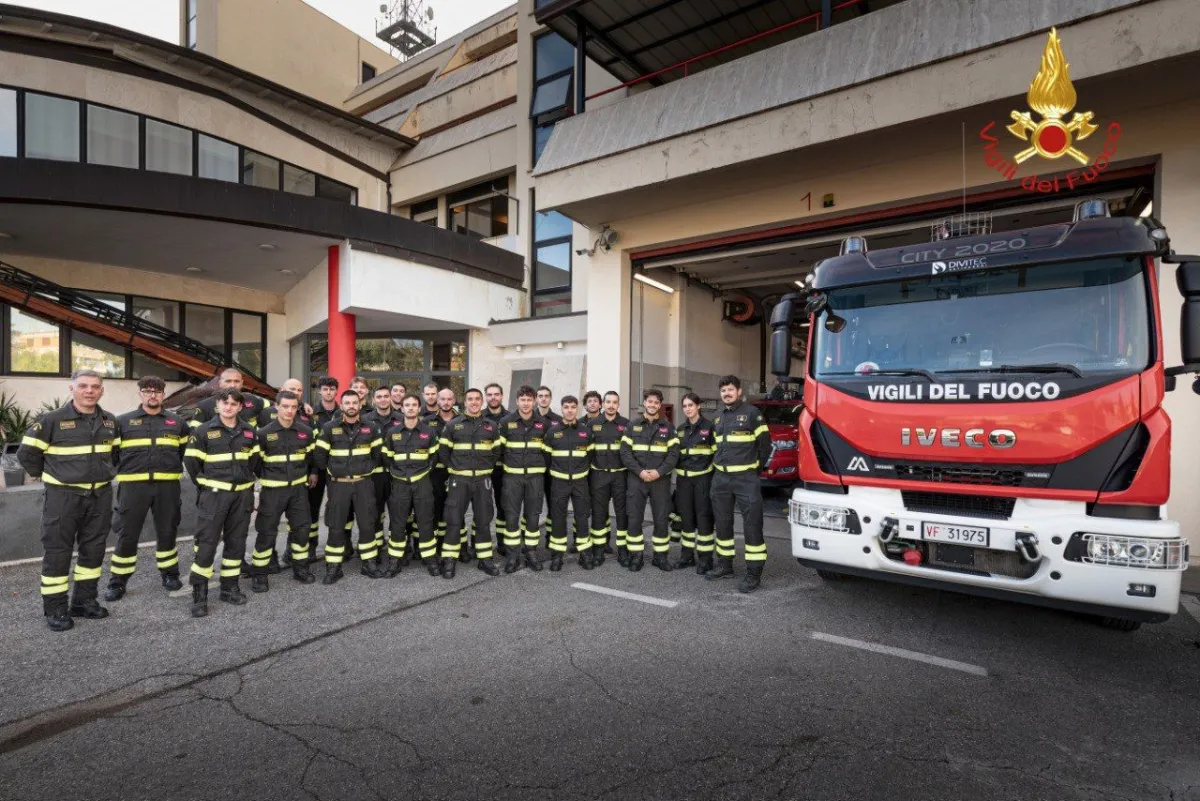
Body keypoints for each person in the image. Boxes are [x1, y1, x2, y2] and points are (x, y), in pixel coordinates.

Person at [18, 370, 118, 632]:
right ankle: (56, 609)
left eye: (95, 386)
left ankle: (84, 602)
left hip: (100, 496)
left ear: (101, 391)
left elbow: (114, 455)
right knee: (58, 552)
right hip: (64, 497)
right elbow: (27, 453)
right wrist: (53, 476)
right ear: (71, 389)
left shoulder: (109, 421)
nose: (89, 391)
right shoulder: (52, 420)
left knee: (94, 549)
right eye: (83, 386)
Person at [104, 375, 189, 601]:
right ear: (140, 393)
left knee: (168, 531)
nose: (153, 395)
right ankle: (118, 581)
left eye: (157, 391)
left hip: (167, 487)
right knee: (127, 534)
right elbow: (113, 455)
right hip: (133, 488)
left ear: (163, 394)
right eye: (148, 391)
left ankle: (170, 574)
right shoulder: (122, 422)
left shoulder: (177, 423)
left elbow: (183, 453)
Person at [182, 388, 261, 618]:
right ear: (217, 405)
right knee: (206, 544)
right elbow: (191, 462)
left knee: (236, 543)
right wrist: (206, 486)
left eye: (234, 403)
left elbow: (254, 461)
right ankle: (200, 594)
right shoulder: (204, 431)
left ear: (239, 407)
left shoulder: (249, 432)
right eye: (224, 403)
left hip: (242, 496)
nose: (229, 407)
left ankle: (229, 587)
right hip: (214, 496)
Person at [311, 390, 383, 584]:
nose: (351, 406)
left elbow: (377, 455)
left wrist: (366, 469)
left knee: (367, 524)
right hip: (339, 485)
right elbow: (319, 456)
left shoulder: (371, 427)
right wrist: (334, 471)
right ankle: (334, 567)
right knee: (336, 525)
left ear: (360, 404)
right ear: (341, 406)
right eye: (347, 403)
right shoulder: (328, 428)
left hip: (363, 483)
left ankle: (369, 563)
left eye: (354, 402)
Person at [709, 375, 772, 592]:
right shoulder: (717, 417)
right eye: (723, 390)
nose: (726, 393)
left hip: (746, 479)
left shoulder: (752, 414)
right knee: (723, 523)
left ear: (739, 391)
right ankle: (725, 564)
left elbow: (765, 445)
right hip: (721, 480)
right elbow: (714, 447)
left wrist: (756, 470)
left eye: (730, 389)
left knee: (752, 525)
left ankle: (754, 572)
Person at [250, 390, 316, 590]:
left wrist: (311, 473)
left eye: (293, 407)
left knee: (302, 530)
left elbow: (311, 458)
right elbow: (255, 463)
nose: (289, 411)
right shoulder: (263, 434)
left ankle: (301, 568)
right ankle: (260, 575)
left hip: (298, 490)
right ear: (276, 407)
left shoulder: (306, 431)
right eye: (285, 406)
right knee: (266, 532)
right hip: (272, 491)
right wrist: (272, 477)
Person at [438, 388, 501, 579]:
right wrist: (455, 470)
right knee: (454, 520)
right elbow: (443, 453)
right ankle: (449, 559)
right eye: (470, 399)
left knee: (483, 520)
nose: (474, 402)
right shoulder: (453, 425)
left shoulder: (491, 426)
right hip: (459, 480)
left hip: (483, 480)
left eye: (477, 399)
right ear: (464, 402)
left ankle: (485, 558)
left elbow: (497, 452)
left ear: (481, 402)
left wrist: (485, 469)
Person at [619, 389, 679, 572]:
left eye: (656, 402)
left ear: (659, 405)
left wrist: (658, 472)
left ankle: (660, 557)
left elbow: (674, 454)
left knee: (661, 519)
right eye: (649, 401)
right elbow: (625, 453)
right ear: (644, 403)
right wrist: (640, 472)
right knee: (635, 518)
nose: (652, 405)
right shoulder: (632, 426)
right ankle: (636, 556)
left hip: (660, 481)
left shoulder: (669, 428)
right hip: (637, 479)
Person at [381, 395, 440, 577]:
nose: (411, 408)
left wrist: (425, 471)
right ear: (402, 408)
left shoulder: (429, 432)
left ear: (419, 408)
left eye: (414, 405)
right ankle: (394, 560)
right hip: (399, 484)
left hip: (422, 482)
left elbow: (434, 456)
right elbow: (386, 456)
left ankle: (430, 558)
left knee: (425, 521)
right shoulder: (393, 432)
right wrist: (396, 472)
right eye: (407, 405)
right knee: (398, 523)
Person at [497, 386, 547, 573]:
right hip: (512, 478)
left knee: (533, 517)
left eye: (529, 400)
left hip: (535, 478)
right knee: (511, 517)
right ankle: (512, 555)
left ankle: (531, 552)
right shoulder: (505, 422)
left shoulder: (543, 424)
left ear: (534, 401)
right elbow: (497, 451)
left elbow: (547, 452)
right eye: (522, 399)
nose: (526, 403)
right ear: (517, 401)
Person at [544, 395, 593, 571]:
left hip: (580, 482)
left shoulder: (586, 432)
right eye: (566, 407)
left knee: (582, 517)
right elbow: (547, 458)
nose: (570, 410)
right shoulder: (552, 432)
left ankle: (584, 553)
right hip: (559, 482)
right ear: (562, 408)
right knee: (558, 518)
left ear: (577, 408)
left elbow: (590, 457)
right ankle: (557, 555)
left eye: (573, 407)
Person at [674, 393, 716, 574]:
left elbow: (717, 454)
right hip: (683, 481)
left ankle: (706, 559)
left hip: (703, 480)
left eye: (691, 405)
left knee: (704, 518)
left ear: (698, 406)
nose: (688, 408)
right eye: (684, 406)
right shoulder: (680, 429)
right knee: (686, 518)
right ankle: (687, 556)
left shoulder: (710, 427)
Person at [588, 390, 628, 566]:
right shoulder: (592, 424)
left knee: (622, 514)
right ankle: (598, 549)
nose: (611, 405)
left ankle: (623, 550)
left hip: (620, 475)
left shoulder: (627, 425)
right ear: (602, 404)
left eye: (615, 402)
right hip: (599, 475)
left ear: (618, 405)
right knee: (598, 513)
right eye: (608, 402)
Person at [307, 376, 340, 562]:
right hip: (317, 470)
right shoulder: (311, 413)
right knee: (313, 508)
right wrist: (313, 470)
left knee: (337, 508)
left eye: (332, 389)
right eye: (325, 389)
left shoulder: (342, 412)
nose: (328, 392)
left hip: (337, 470)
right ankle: (311, 546)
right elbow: (311, 445)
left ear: (336, 391)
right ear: (319, 391)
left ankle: (338, 544)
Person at [425, 387, 459, 553]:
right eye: (443, 399)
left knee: (455, 509)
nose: (446, 402)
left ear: (454, 401)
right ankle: (437, 545)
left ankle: (457, 545)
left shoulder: (462, 420)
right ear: (437, 401)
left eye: (449, 399)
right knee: (436, 509)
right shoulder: (427, 421)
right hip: (436, 474)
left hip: (457, 473)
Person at [364, 386, 400, 534]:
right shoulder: (365, 420)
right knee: (374, 511)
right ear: (373, 400)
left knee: (397, 511)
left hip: (396, 474)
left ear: (391, 399)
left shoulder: (401, 419)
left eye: (386, 396)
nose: (383, 399)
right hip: (374, 476)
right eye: (379, 397)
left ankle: (396, 544)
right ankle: (377, 544)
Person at [185, 367, 267, 430]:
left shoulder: (252, 400)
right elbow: (195, 433)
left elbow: (275, 407)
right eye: (228, 381)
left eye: (236, 381)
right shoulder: (205, 405)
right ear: (220, 383)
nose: (232, 385)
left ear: (242, 383)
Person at [483, 382, 508, 555]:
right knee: (482, 507)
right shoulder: (479, 416)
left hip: (503, 470)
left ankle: (502, 543)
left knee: (503, 506)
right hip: (483, 470)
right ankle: (479, 544)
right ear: (486, 397)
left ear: (501, 396)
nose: (493, 397)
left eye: (496, 394)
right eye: (490, 394)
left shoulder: (511, 417)